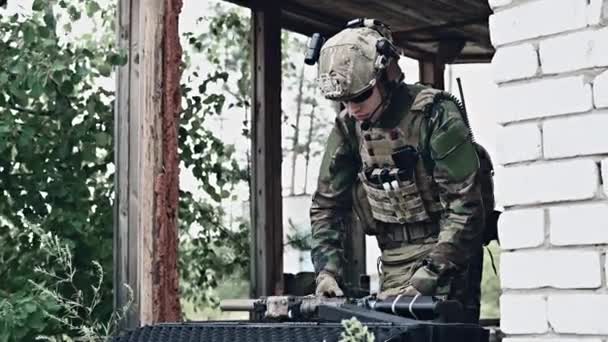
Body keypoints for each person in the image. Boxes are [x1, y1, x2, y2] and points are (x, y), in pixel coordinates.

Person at [309, 18, 485, 323]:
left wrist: (427, 277)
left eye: (360, 96)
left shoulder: (435, 115)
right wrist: (327, 271)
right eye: (344, 101)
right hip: (392, 263)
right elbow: (326, 205)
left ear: (386, 76)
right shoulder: (349, 127)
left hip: (449, 264)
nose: (352, 109)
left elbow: (466, 208)